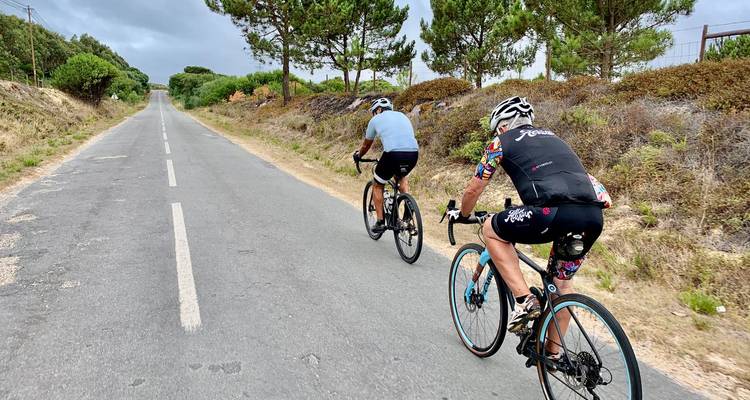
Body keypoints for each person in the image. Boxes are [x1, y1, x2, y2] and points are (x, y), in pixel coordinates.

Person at [449, 96, 611, 359]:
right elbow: (600, 192)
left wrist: (464, 214)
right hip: (591, 216)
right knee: (561, 285)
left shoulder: (500, 142)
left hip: (550, 213)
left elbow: (474, 187)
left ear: (501, 127)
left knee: (492, 229)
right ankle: (552, 355)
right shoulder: (556, 139)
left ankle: (525, 301)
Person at [353, 98, 419, 233]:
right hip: (413, 153)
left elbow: (366, 145)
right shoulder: (403, 116)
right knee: (401, 177)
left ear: (378, 109)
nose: (374, 114)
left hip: (392, 154)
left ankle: (380, 222)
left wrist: (359, 156)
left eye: (374, 112)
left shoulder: (375, 119)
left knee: (377, 184)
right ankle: (408, 209)